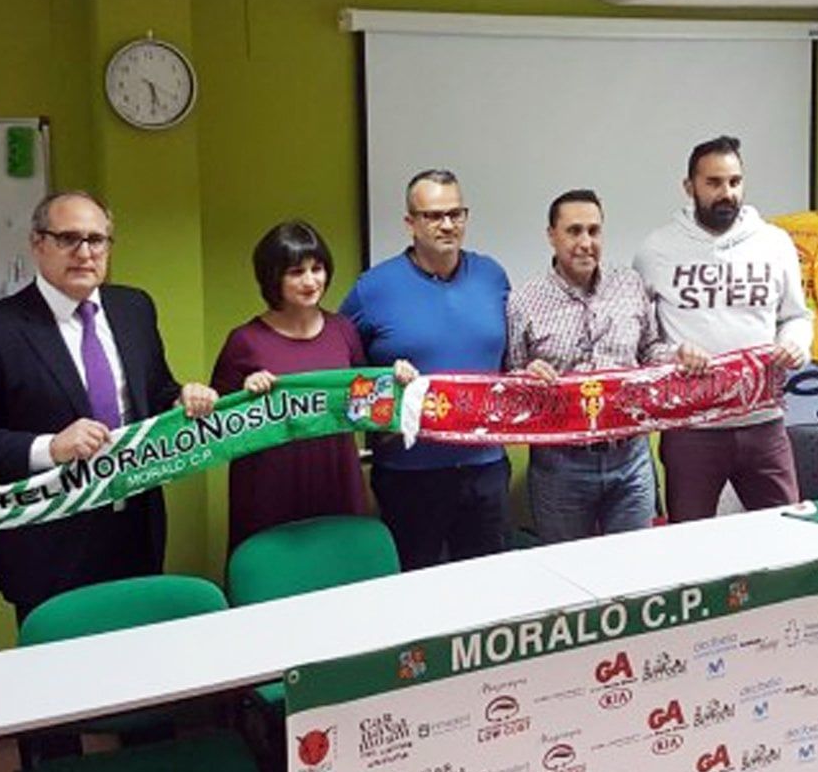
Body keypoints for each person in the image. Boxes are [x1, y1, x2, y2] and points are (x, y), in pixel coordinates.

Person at [0, 190, 216, 624]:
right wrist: (50, 448)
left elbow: (155, 390)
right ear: (37, 244)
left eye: (96, 240)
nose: (84, 253)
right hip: (46, 536)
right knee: (58, 676)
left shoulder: (134, 308)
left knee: (138, 661)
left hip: (132, 523)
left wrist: (182, 397)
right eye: (68, 239)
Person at [633, 135, 812, 523]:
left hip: (763, 422)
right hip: (692, 428)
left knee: (787, 534)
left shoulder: (774, 243)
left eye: (734, 182)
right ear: (689, 187)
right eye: (713, 183)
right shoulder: (656, 250)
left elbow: (797, 316)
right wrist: (674, 355)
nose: (726, 193)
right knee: (689, 541)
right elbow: (642, 339)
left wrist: (794, 344)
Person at [341, 169, 511, 570]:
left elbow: (510, 358)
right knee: (418, 591)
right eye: (433, 216)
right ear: (410, 223)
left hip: (485, 467)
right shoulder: (373, 288)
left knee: (489, 586)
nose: (447, 224)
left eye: (456, 213)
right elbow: (343, 365)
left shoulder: (493, 276)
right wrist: (383, 392)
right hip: (409, 473)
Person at [211, 220, 415, 552]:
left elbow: (365, 407)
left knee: (343, 572)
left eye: (316, 268)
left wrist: (396, 382)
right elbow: (215, 428)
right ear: (272, 277)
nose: (310, 281)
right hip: (269, 488)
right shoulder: (245, 341)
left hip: (336, 478)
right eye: (296, 272)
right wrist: (245, 397)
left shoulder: (343, 330)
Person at [507, 189, 679, 542]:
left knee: (634, 572)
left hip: (630, 459)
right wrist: (526, 377)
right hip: (560, 467)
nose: (586, 242)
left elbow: (651, 350)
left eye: (594, 231)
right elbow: (510, 379)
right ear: (551, 235)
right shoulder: (523, 301)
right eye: (573, 231)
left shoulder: (629, 284)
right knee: (568, 575)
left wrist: (678, 356)